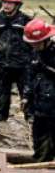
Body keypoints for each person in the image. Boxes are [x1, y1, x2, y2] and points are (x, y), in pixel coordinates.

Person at [0, 0, 34, 121]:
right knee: (2, 89)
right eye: (5, 2)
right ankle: (2, 114)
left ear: (17, 4)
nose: (7, 5)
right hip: (2, 62)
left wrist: (34, 58)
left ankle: (29, 115)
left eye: (10, 3)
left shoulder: (25, 20)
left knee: (25, 90)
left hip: (22, 62)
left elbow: (33, 42)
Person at [23, 19, 55, 162]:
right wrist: (26, 96)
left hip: (52, 107)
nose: (33, 46)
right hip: (39, 106)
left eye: (36, 43)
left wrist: (48, 69)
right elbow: (30, 75)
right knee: (39, 141)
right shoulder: (35, 53)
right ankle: (42, 165)